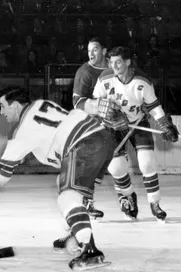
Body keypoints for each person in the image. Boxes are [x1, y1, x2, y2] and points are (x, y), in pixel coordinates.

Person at [0, 86, 126, 271]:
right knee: (71, 191)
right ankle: (77, 232)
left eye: (3, 106)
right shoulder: (41, 104)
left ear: (15, 105)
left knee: (67, 197)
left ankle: (90, 250)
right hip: (103, 138)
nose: (1, 112)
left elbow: (3, 170)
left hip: (83, 144)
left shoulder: (23, 130)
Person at [92, 46, 179, 221]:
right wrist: (107, 112)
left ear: (128, 62)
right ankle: (129, 196)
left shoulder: (143, 82)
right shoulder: (105, 79)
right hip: (112, 128)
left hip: (138, 124)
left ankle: (155, 204)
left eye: (118, 62)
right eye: (111, 62)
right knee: (116, 168)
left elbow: (154, 107)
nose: (114, 66)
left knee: (147, 164)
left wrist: (165, 125)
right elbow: (94, 103)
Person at [70, 37, 109, 220]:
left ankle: (126, 198)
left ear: (104, 51)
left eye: (95, 49)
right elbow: (77, 102)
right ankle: (86, 202)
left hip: (112, 125)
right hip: (90, 125)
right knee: (90, 165)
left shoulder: (113, 68)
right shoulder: (84, 72)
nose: (91, 53)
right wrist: (98, 106)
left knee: (116, 165)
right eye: (89, 50)